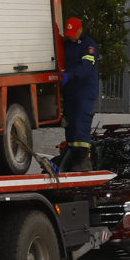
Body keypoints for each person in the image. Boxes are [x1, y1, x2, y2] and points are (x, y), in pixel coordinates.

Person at [57, 17, 100, 170]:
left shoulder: (89, 45)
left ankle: (82, 163)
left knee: (81, 126)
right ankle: (72, 158)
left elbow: (86, 68)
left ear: (80, 30)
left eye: (73, 33)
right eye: (69, 34)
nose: (71, 36)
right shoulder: (66, 44)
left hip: (84, 92)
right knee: (70, 124)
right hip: (70, 92)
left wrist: (70, 76)